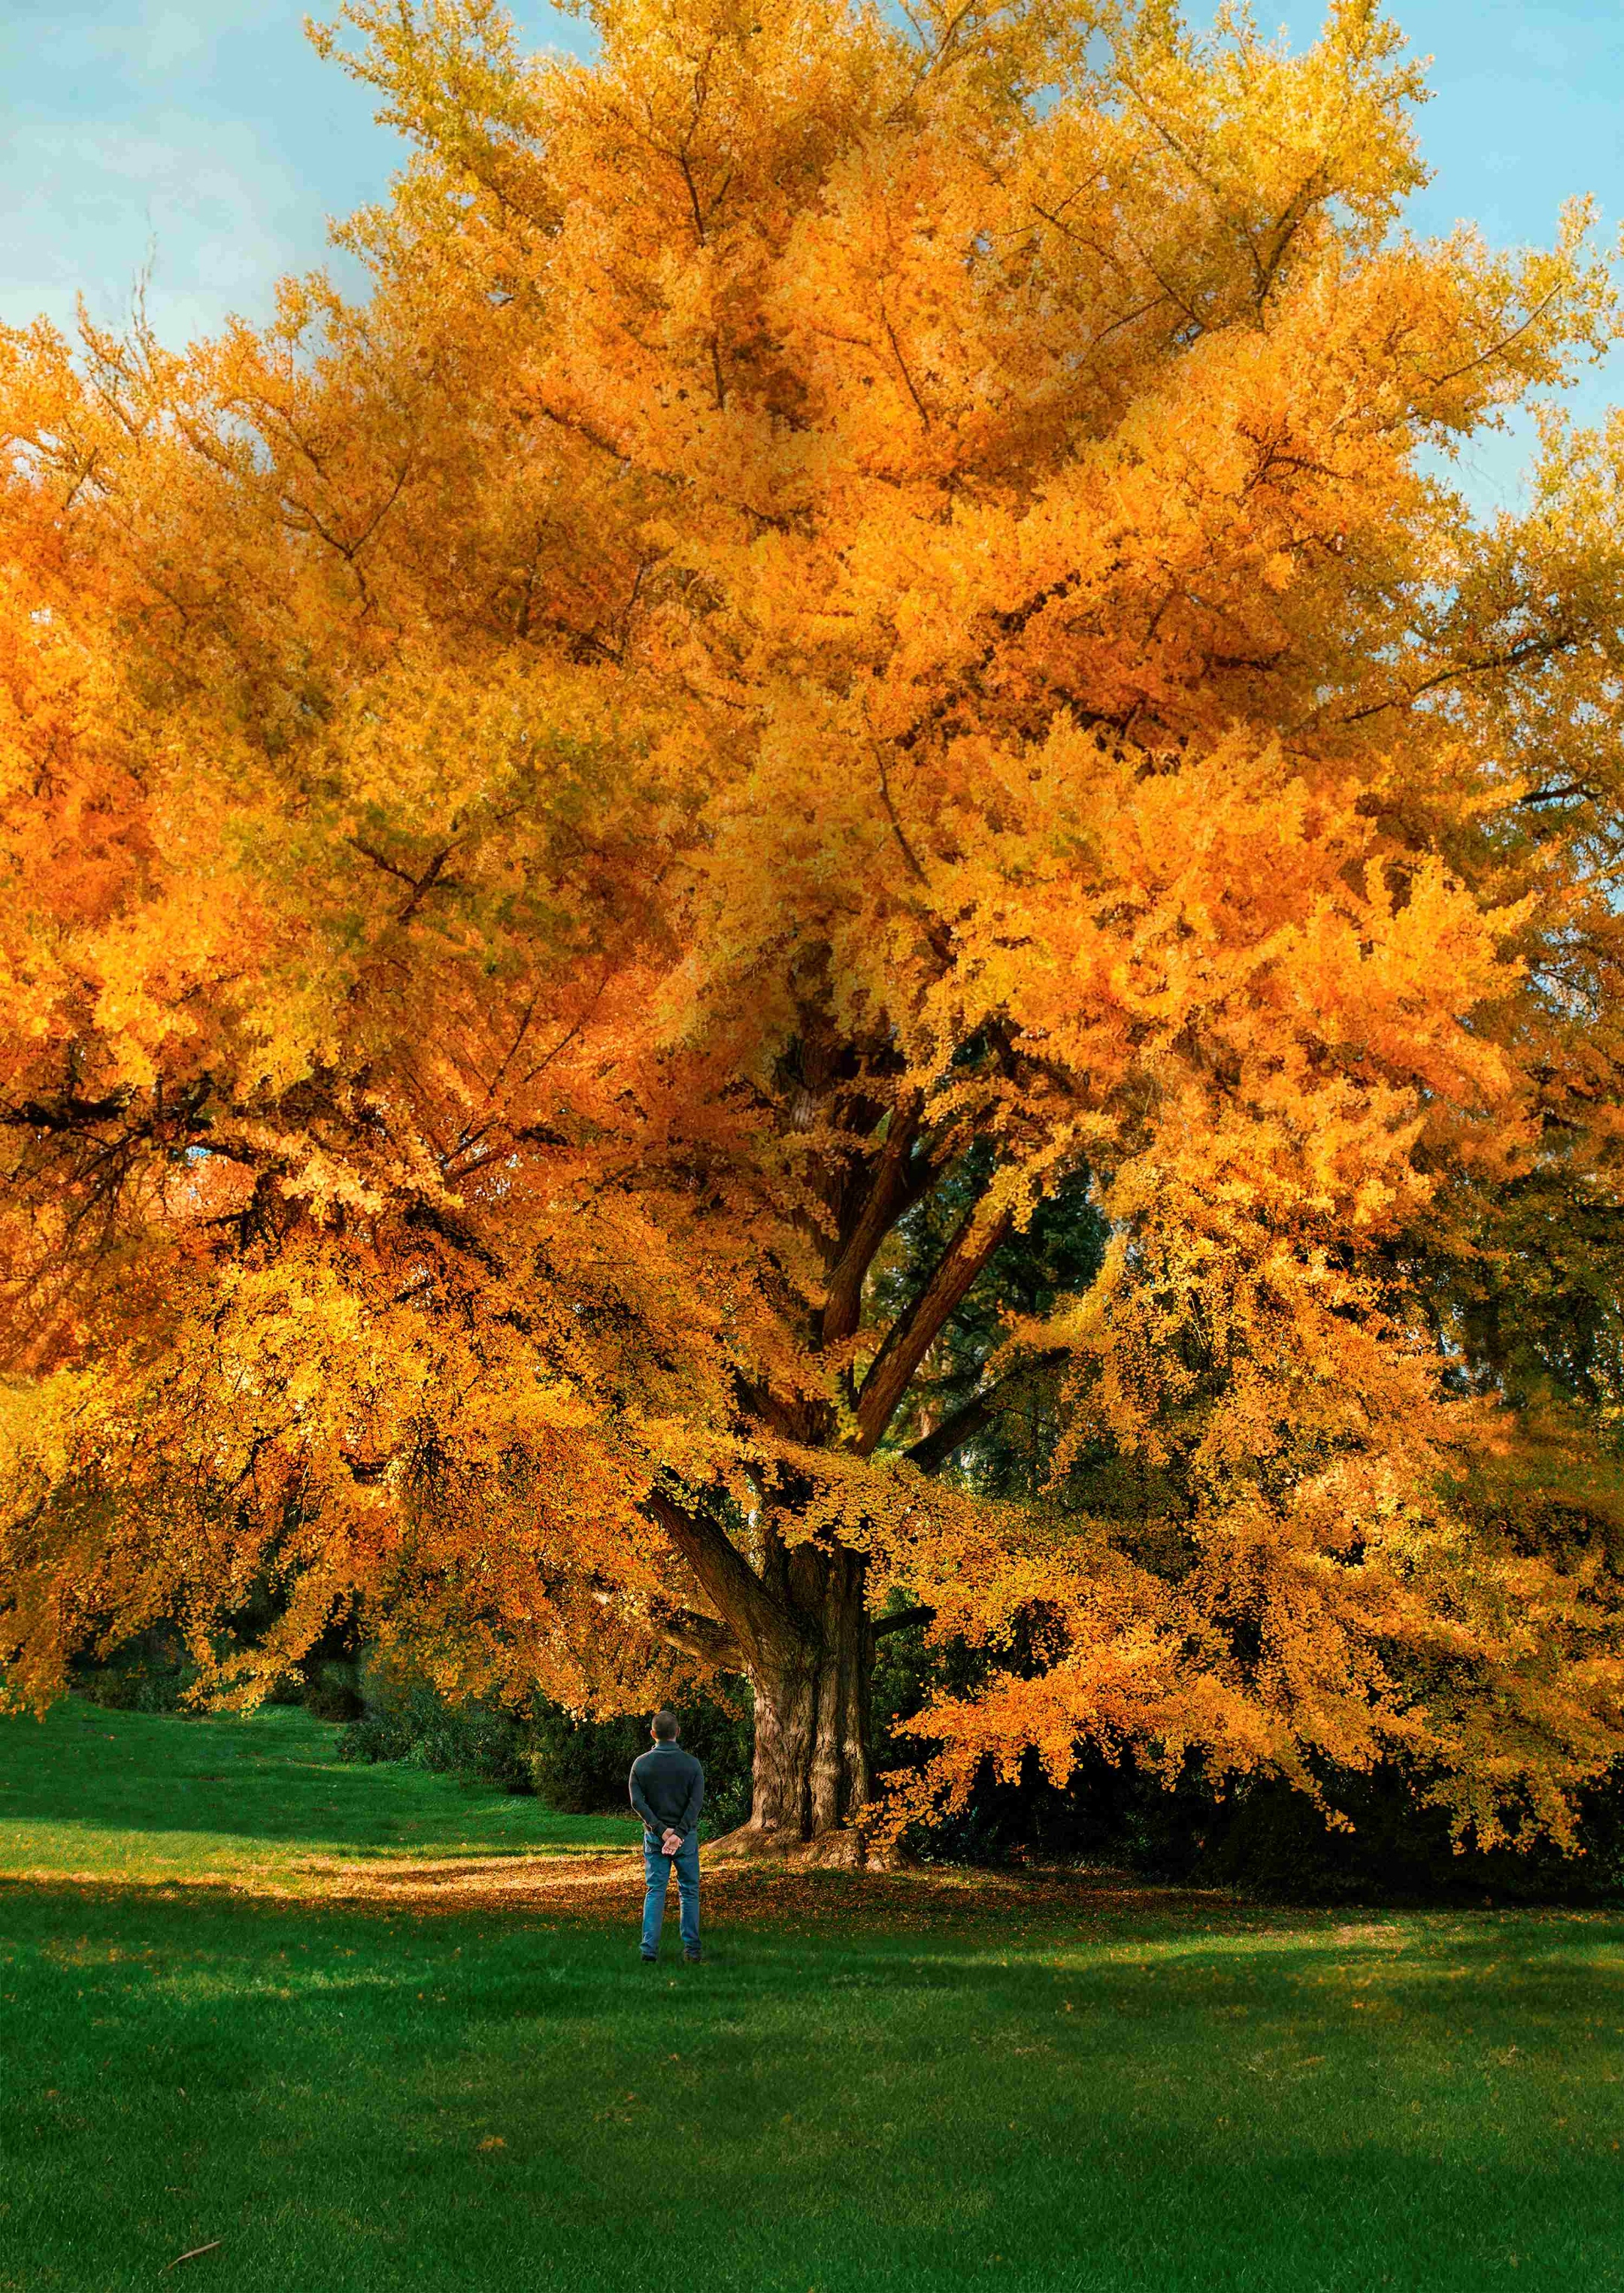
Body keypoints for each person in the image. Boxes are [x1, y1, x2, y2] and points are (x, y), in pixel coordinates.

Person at [629, 1710, 704, 1964]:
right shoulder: (692, 1764)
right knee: (689, 1892)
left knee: (655, 1891)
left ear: (653, 1734)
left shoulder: (641, 1764)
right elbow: (695, 1804)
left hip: (655, 1839)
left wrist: (661, 1831)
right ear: (677, 1733)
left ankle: (649, 1951)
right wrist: (679, 1834)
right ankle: (692, 1951)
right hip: (686, 1839)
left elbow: (637, 1802)